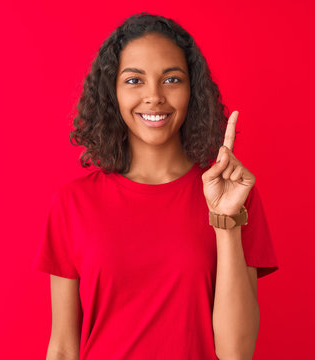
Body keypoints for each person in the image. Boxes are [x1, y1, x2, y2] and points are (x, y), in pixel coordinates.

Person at [33, 12, 279, 360]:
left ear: (192, 90)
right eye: (134, 80)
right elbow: (62, 347)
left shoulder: (233, 197)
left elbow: (236, 354)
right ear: (112, 92)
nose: (154, 97)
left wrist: (226, 222)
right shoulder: (75, 202)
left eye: (172, 79)